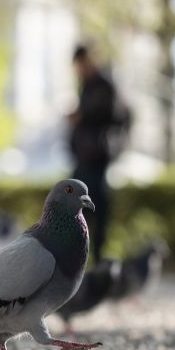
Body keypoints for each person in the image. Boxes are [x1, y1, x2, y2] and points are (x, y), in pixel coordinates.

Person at [68, 44, 130, 262]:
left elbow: (116, 115)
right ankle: (78, 252)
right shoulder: (86, 86)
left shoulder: (106, 84)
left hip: (97, 156)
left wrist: (83, 115)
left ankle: (97, 252)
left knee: (96, 205)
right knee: (73, 203)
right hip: (83, 155)